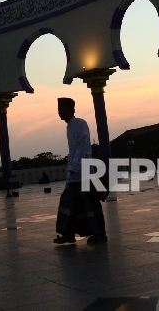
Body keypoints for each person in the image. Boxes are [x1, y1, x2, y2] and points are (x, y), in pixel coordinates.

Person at [54, 97, 106, 244]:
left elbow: (83, 146)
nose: (60, 112)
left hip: (83, 172)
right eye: (59, 109)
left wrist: (75, 165)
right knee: (69, 204)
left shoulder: (80, 123)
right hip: (74, 173)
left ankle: (100, 234)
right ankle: (69, 234)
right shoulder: (69, 126)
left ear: (72, 109)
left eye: (62, 108)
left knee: (90, 205)